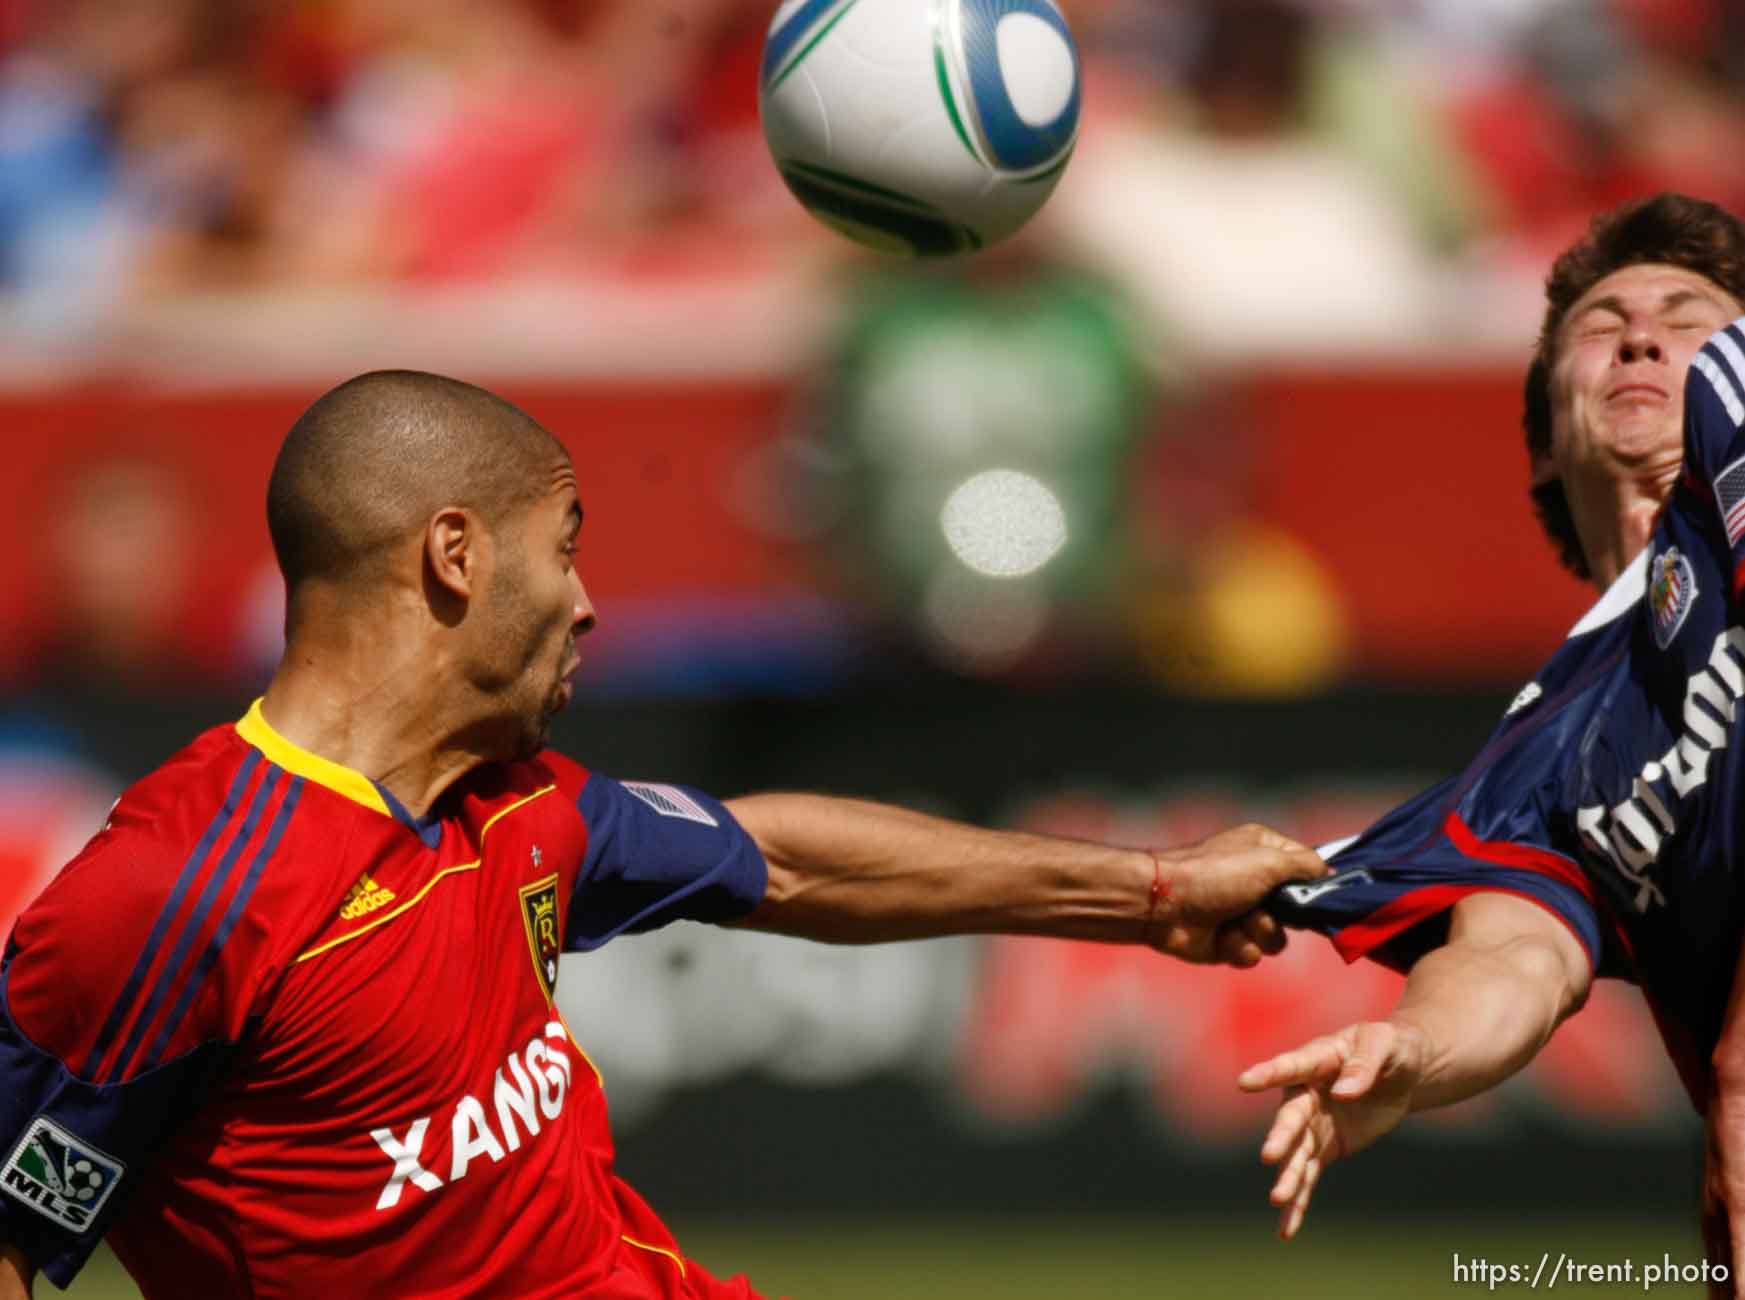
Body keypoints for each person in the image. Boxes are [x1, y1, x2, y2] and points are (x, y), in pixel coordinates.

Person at [0, 370, 1326, 1300]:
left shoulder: (520, 805)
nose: (586, 604)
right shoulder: (172, 898)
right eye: (564, 547)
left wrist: (1151, 888)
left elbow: (780, 856)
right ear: (454, 554)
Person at [1241, 191, 1745, 1284]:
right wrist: (1413, 1049)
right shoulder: (1545, 759)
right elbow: (1511, 955)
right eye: (1601, 327)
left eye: (1689, 315)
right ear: (1540, 449)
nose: (1643, 336)